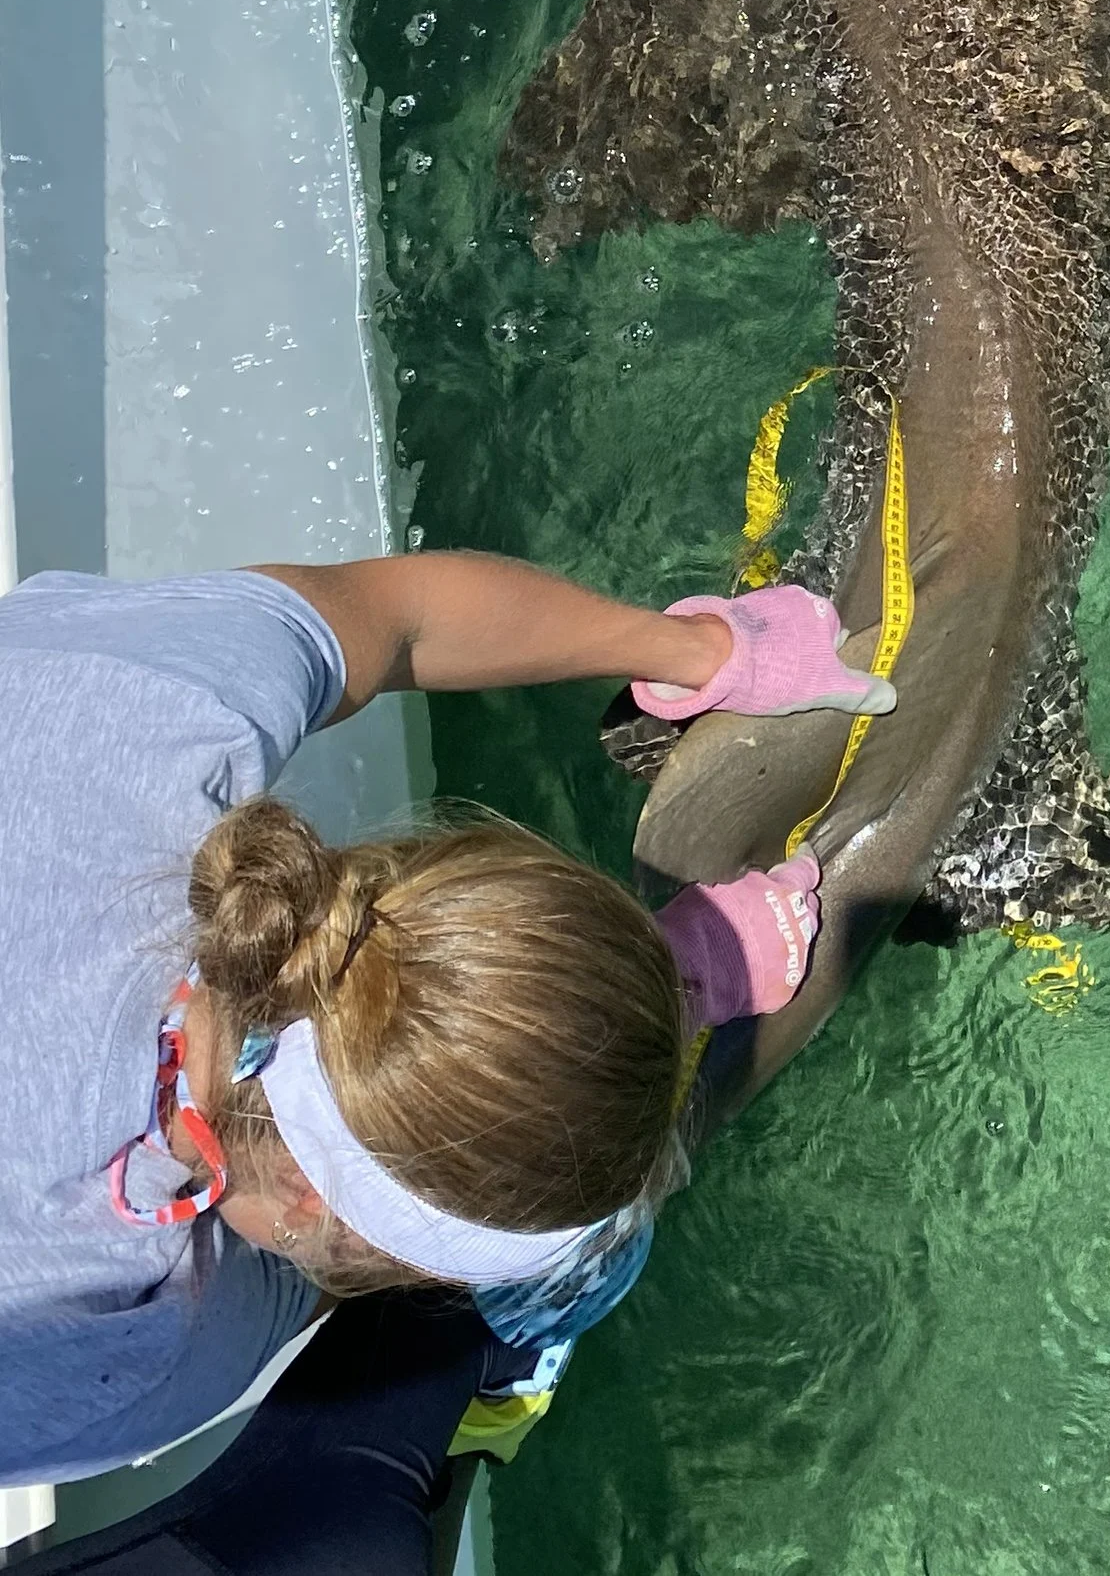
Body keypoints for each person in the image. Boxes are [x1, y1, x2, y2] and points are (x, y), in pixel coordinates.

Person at [0, 552, 890, 1568]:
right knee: (553, 1282)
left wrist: (704, 649)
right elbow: (322, 1284)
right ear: (306, 1199)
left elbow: (401, 612)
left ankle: (663, 983)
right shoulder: (114, 1334)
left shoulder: (141, 714)